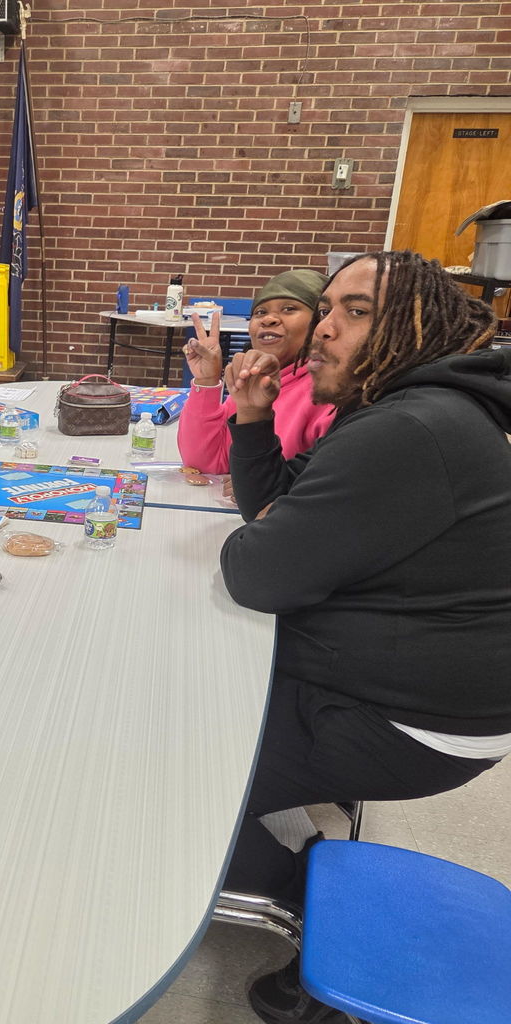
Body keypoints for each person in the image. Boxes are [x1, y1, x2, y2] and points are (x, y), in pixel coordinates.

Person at [218, 251, 511, 1024]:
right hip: (399, 681)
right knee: (197, 676)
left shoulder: (412, 427)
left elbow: (258, 571)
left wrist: (272, 538)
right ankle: (314, 868)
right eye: (330, 308)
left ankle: (307, 906)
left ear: (416, 326)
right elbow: (274, 506)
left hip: (415, 722)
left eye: (356, 312)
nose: (322, 329)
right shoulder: (397, 408)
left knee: (168, 751)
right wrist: (251, 418)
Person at [177, 269, 334, 474]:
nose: (268, 319)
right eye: (260, 312)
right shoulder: (252, 379)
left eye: (289, 308)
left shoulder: (331, 393)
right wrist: (206, 381)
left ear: (323, 322)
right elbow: (206, 463)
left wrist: (274, 487)